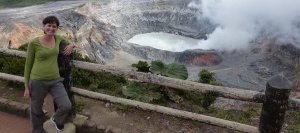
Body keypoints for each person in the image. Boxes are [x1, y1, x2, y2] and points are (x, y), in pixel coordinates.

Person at [24, 16, 75, 133]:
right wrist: (26, 86)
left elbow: (70, 42)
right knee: (36, 109)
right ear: (43, 26)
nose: (51, 28)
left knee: (66, 105)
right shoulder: (34, 43)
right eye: (49, 25)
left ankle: (56, 119)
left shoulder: (57, 39)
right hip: (37, 80)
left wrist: (72, 45)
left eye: (54, 26)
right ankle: (37, 130)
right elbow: (28, 65)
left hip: (55, 79)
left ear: (57, 28)